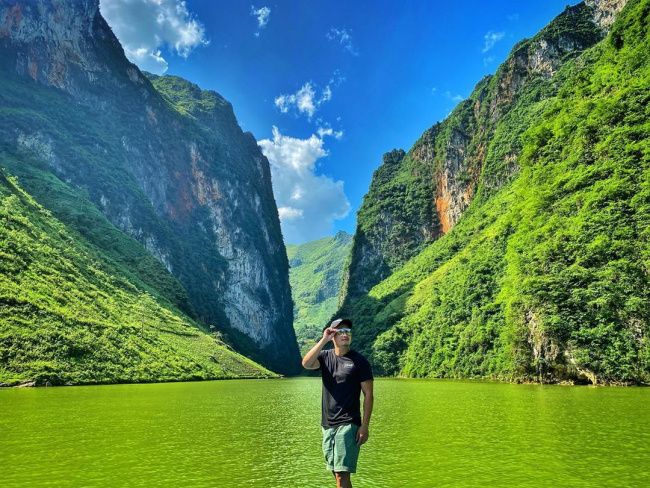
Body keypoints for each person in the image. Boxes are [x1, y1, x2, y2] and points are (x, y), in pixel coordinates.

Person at [301, 318, 374, 488]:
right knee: (336, 472)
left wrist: (364, 426)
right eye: (340, 331)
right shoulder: (325, 357)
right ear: (332, 335)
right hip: (328, 424)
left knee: (342, 474)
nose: (345, 334)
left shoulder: (360, 361)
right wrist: (324, 340)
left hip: (349, 424)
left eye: (347, 331)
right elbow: (306, 363)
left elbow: (369, 395)